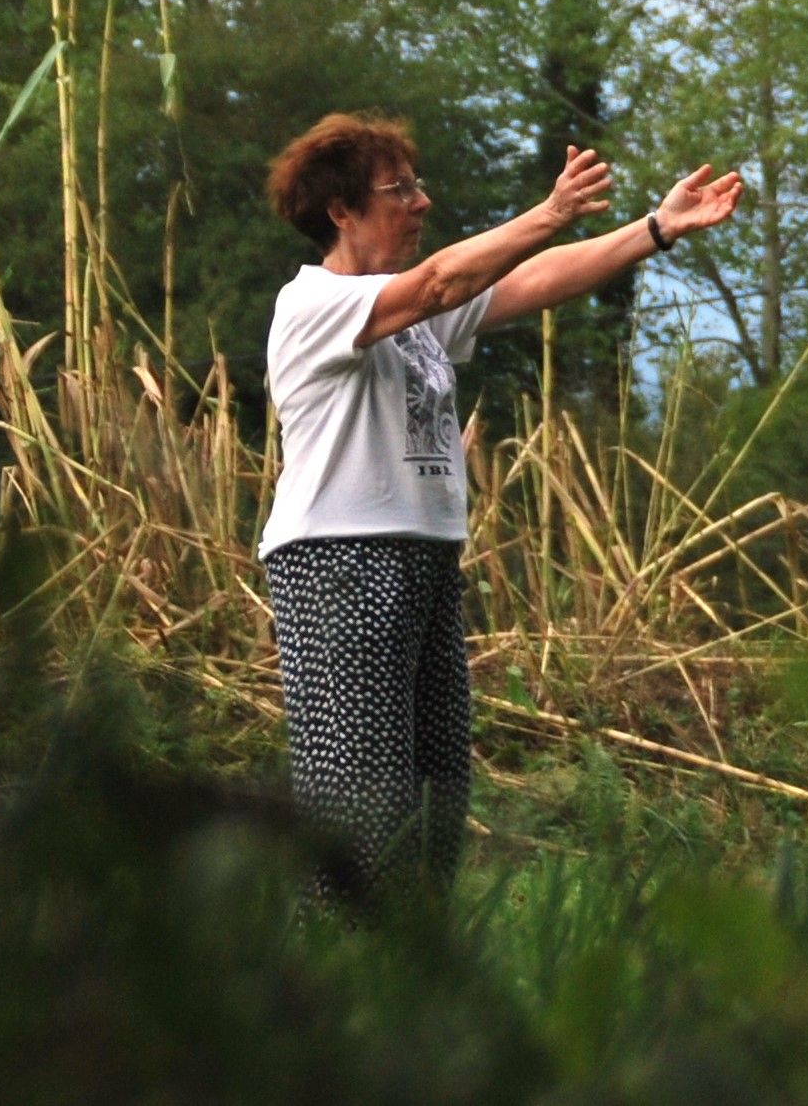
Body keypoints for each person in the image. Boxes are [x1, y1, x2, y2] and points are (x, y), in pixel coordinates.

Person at [259, 115, 741, 908]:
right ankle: (329, 971)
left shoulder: (412, 309)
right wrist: (550, 210)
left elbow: (531, 281)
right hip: (341, 565)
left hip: (424, 561)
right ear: (341, 211)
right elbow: (442, 281)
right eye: (399, 189)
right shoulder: (313, 303)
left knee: (434, 808)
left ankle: (414, 962)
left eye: (416, 184)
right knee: (362, 820)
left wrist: (655, 228)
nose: (421, 201)